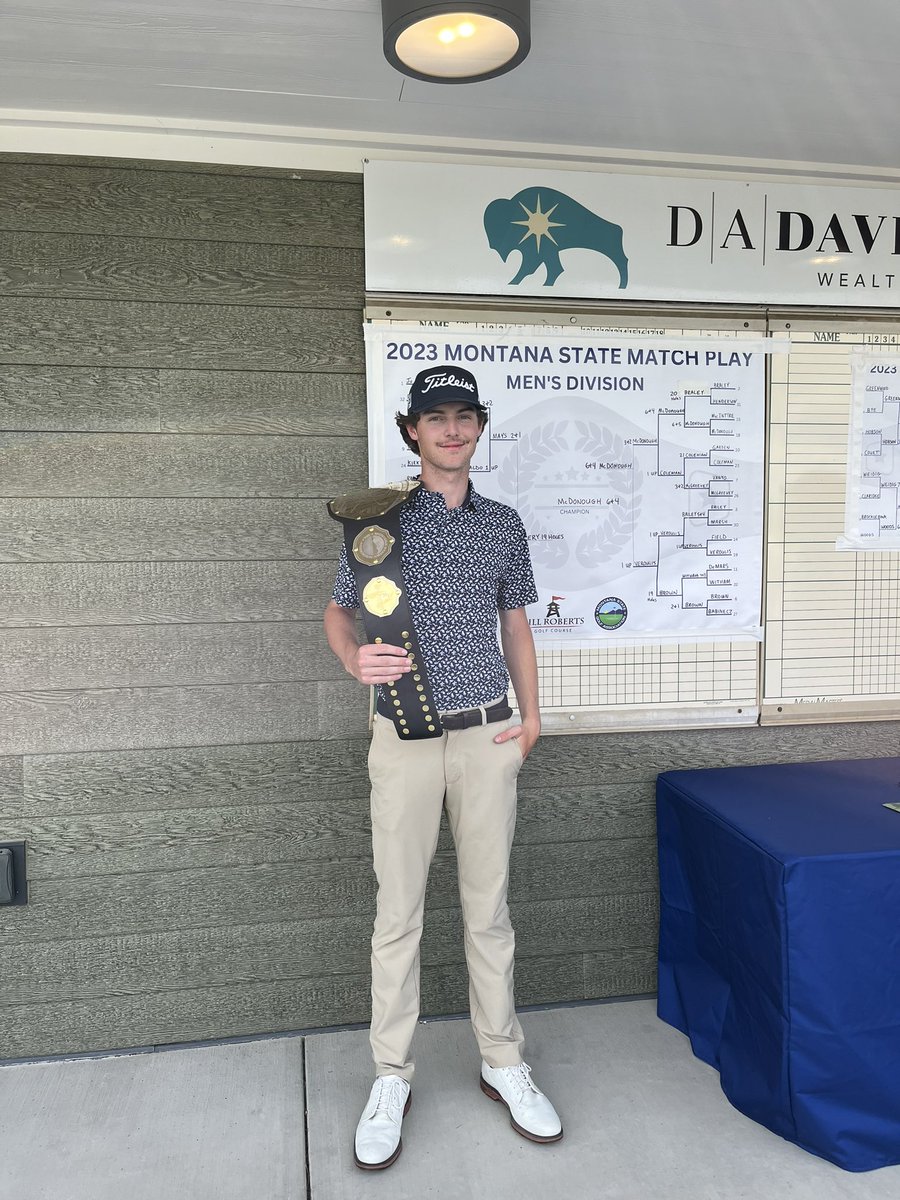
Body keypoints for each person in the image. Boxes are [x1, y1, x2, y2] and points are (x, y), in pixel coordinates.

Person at [323, 365, 563, 1170]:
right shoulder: (377, 523)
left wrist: (531, 719)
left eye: (465, 416)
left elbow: (516, 621)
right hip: (404, 741)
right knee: (399, 914)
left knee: (487, 910)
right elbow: (338, 606)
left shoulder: (501, 522)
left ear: (478, 428)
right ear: (412, 431)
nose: (452, 430)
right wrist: (354, 657)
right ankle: (392, 1075)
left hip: (489, 737)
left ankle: (503, 1061)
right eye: (436, 417)